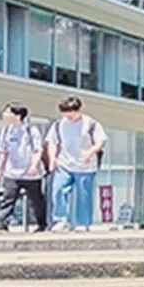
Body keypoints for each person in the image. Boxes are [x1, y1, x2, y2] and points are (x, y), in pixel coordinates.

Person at [44, 95, 106, 232]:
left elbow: (100, 141)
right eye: (65, 113)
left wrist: (90, 152)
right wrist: (52, 158)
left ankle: (83, 222)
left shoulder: (91, 124)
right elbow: (52, 142)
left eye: (71, 113)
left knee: (83, 194)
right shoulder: (59, 124)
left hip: (85, 165)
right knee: (58, 190)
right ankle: (60, 220)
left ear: (79, 110)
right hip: (64, 163)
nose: (68, 116)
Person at [0, 103, 47, 234]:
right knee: (8, 199)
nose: (4, 115)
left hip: (30, 173)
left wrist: (34, 165)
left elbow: (38, 150)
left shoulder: (31, 130)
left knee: (36, 200)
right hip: (11, 172)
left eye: (7, 112)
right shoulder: (5, 131)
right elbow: (3, 152)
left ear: (17, 115)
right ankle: (1, 224)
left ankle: (41, 224)